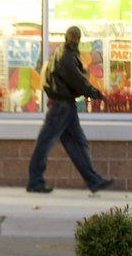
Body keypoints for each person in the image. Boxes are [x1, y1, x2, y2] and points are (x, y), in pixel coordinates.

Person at [27, 25, 114, 194]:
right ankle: (35, 181)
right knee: (46, 143)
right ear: (67, 37)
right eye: (72, 36)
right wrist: (97, 94)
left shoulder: (64, 52)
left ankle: (93, 180)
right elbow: (78, 80)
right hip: (62, 106)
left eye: (77, 37)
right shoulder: (66, 57)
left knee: (78, 144)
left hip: (65, 105)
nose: (75, 39)